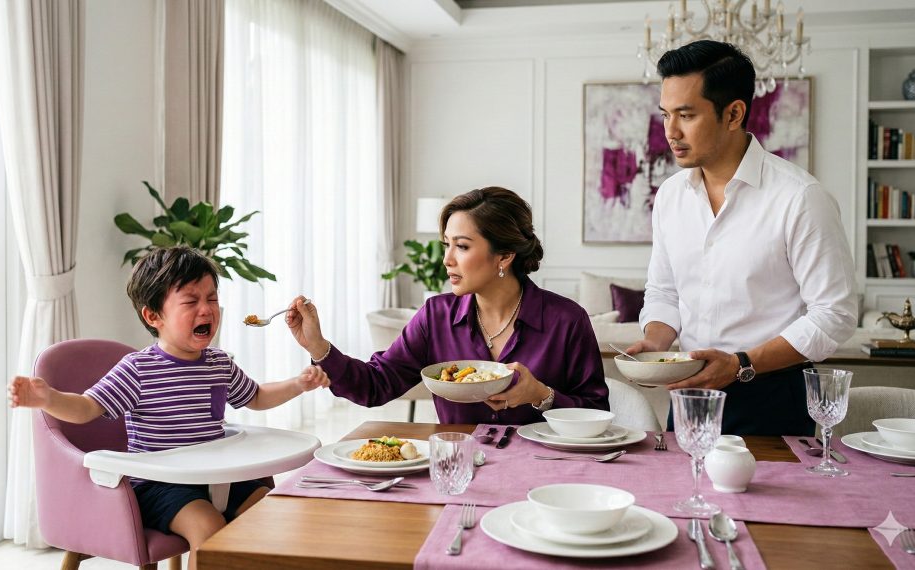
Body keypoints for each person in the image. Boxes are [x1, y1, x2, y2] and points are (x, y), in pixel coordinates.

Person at [8, 246, 329, 568]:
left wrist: (297, 384)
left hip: (218, 475)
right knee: (209, 530)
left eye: (212, 298)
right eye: (191, 302)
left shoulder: (219, 363)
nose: (207, 310)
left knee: (270, 512)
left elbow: (256, 397)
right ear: (153, 316)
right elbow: (87, 408)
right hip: (160, 485)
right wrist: (48, 399)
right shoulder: (138, 369)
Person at [627, 40, 857, 436]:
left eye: (686, 115)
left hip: (772, 394)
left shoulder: (800, 198)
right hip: (690, 392)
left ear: (733, 113)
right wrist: (655, 342)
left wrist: (742, 363)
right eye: (665, 114)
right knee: (679, 496)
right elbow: (664, 291)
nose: (670, 132)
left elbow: (834, 315)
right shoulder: (669, 197)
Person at [285, 186, 609, 425]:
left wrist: (540, 394)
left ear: (505, 256)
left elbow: (597, 413)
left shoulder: (566, 320)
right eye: (446, 245)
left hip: (545, 476)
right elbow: (376, 385)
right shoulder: (435, 317)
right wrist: (318, 345)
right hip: (458, 469)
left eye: (462, 246)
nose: (447, 260)